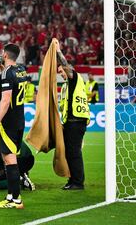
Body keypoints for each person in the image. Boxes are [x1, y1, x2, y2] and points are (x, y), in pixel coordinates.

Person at [0, 43, 27, 209]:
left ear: (5, 54)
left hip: (9, 121)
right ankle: (11, 196)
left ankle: (16, 200)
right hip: (19, 119)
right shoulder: (21, 69)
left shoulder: (7, 73)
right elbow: (13, 83)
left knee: (10, 159)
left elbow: (5, 100)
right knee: (7, 158)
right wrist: (2, 70)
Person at [56, 40, 90, 190]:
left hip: (76, 121)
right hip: (70, 122)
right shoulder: (66, 86)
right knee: (69, 152)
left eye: (61, 72)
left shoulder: (75, 78)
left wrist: (58, 51)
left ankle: (78, 182)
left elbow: (66, 66)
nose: (61, 74)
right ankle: (72, 180)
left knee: (74, 152)